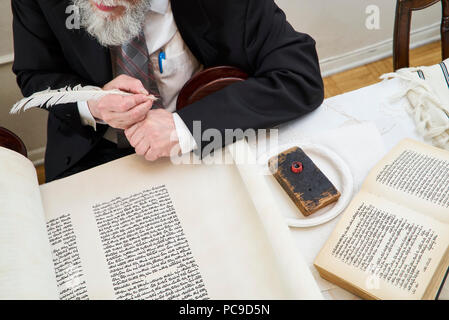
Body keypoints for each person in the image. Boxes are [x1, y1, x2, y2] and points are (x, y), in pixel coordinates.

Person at [12, 0, 324, 182]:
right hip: (89, 155)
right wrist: (91, 103)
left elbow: (299, 76)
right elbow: (34, 74)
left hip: (204, 146)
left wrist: (185, 128)